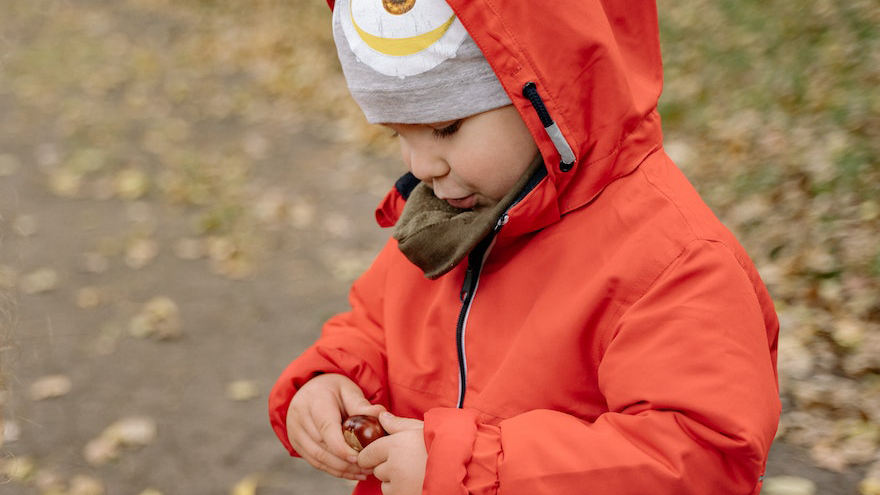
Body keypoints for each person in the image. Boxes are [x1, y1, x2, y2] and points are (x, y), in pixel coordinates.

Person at [269, 0, 781, 494]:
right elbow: (378, 326)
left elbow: (701, 461)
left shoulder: (672, 260)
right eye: (397, 133)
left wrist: (470, 471)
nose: (422, 165)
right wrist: (331, 379)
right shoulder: (443, 222)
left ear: (539, 101)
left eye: (445, 128)